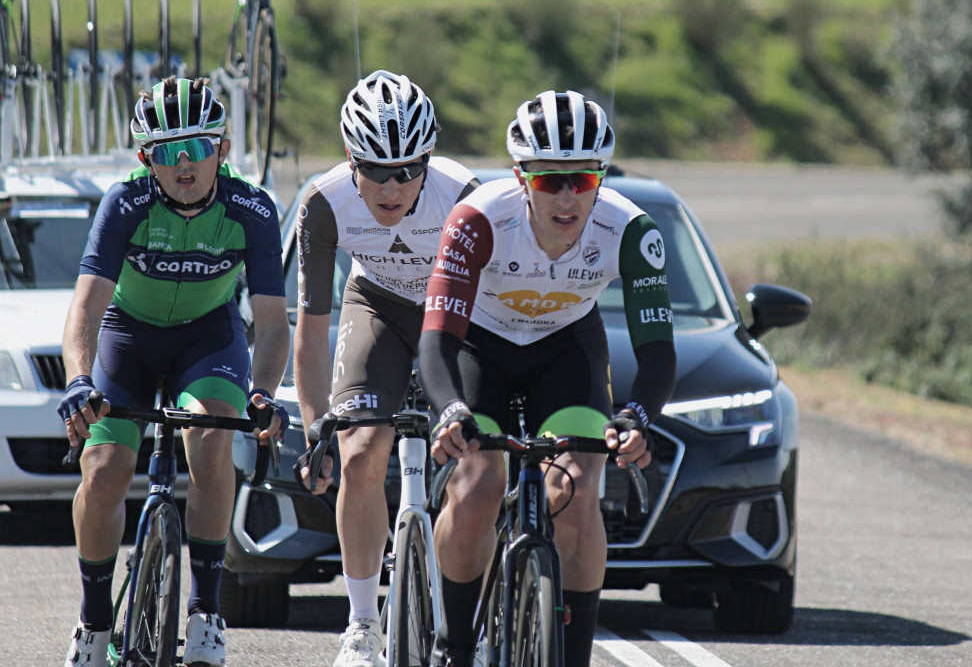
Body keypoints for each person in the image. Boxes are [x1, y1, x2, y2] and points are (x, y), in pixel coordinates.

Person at [419, 90, 677, 667]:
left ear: (600, 178)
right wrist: (451, 411)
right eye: (548, 181)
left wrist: (636, 419)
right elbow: (436, 340)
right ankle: (456, 646)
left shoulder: (630, 231)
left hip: (566, 350)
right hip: (479, 347)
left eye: (581, 181)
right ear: (520, 178)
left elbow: (657, 352)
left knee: (580, 491)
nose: (566, 197)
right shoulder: (478, 221)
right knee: (478, 483)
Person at [58, 77, 290, 667]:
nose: (182, 162)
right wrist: (79, 380)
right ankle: (92, 620)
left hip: (207, 338)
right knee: (106, 467)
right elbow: (86, 305)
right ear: (145, 159)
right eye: (165, 150)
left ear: (223, 147)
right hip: (128, 335)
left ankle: (206, 612)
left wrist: (262, 393)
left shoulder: (253, 207)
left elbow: (269, 319)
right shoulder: (126, 202)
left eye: (197, 146)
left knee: (212, 440)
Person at [291, 70, 479, 667]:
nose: (392, 187)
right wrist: (314, 428)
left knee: (479, 460)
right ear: (350, 159)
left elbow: (498, 304)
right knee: (360, 451)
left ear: (429, 160)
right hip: (377, 305)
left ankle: (474, 610)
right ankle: (363, 624)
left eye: (408, 170)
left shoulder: (465, 194)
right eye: (374, 169)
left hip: (456, 316)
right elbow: (311, 329)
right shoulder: (323, 203)